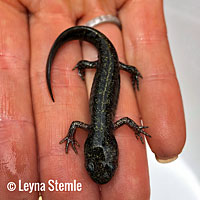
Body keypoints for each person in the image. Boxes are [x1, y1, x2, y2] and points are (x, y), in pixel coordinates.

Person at [0, 0, 186, 199]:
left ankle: (98, 65)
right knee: (112, 65)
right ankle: (91, 63)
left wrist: (72, 136)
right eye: (110, 163)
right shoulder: (97, 127)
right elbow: (85, 124)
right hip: (109, 61)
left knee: (114, 65)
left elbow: (81, 124)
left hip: (109, 61)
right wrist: (136, 128)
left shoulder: (108, 127)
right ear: (112, 147)